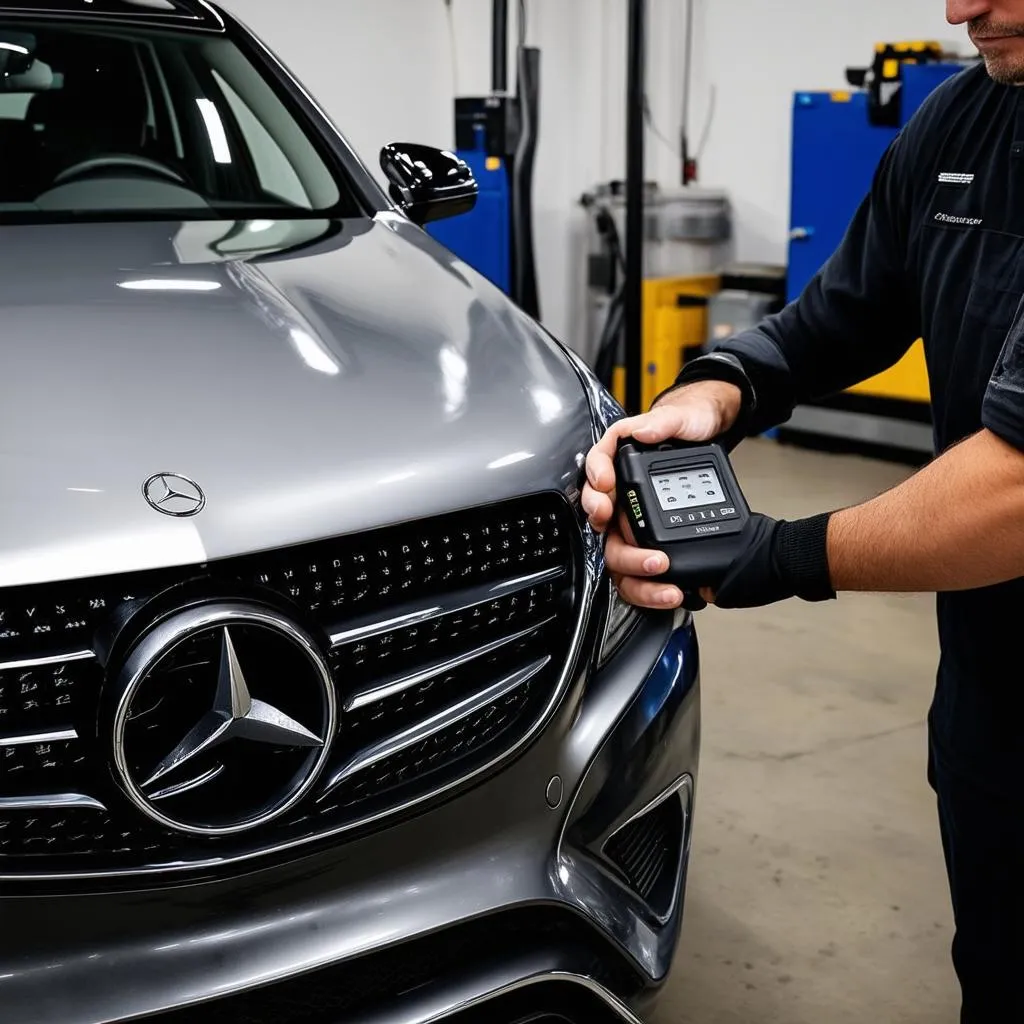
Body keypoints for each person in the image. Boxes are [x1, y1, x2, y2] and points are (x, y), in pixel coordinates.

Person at [581, 2, 1024, 1020]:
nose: (961, 8)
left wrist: (775, 554)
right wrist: (721, 388)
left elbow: (1011, 491)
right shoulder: (959, 122)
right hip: (993, 695)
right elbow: (849, 309)